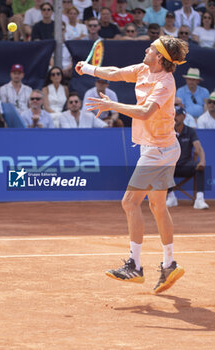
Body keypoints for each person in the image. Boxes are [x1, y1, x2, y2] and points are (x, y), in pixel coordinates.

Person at [75, 35, 188, 293]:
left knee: (129, 202)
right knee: (158, 206)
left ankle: (135, 266)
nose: (146, 49)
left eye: (152, 47)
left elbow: (146, 111)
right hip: (161, 148)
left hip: (159, 151)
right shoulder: (143, 68)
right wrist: (89, 68)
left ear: (160, 57)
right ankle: (169, 263)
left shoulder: (165, 83)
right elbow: (115, 73)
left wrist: (111, 104)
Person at [166, 105, 209, 209]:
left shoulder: (190, 131)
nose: (175, 117)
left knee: (199, 168)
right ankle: (171, 197)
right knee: (162, 168)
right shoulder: (167, 131)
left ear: (184, 117)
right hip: (171, 167)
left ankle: (199, 199)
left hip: (186, 166)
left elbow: (198, 148)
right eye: (173, 114)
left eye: (178, 115)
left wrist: (202, 161)